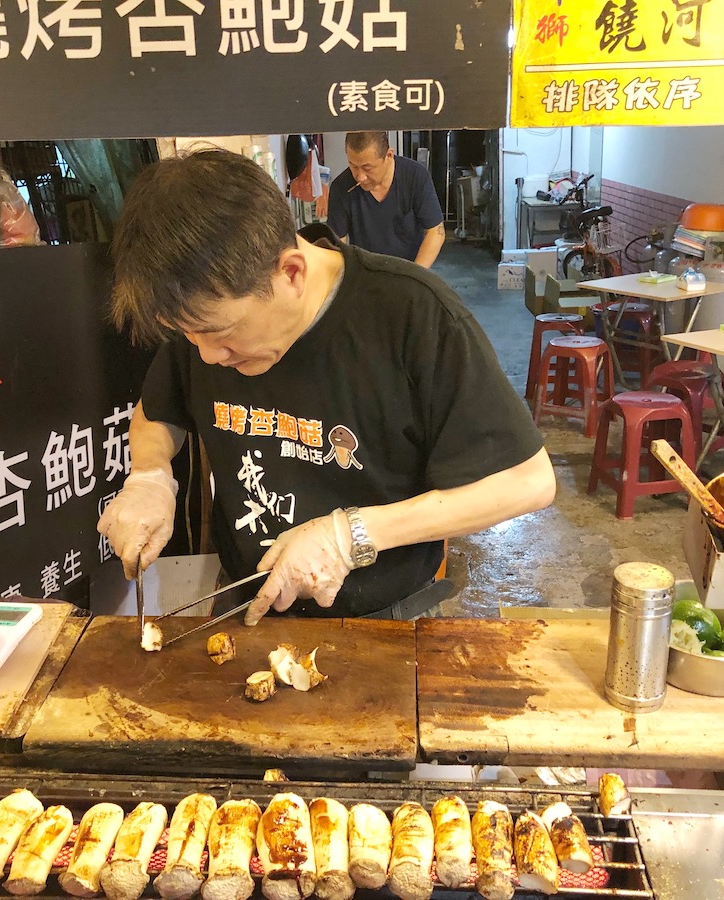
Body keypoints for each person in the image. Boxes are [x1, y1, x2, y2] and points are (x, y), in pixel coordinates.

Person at [97, 149, 555, 626]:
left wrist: (350, 535)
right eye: (189, 337)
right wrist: (150, 478)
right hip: (245, 605)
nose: (209, 357)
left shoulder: (413, 315)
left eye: (223, 337)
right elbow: (157, 412)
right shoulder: (206, 320)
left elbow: (528, 481)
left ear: (291, 272)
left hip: (382, 619)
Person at [326, 131, 446, 268]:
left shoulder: (415, 176)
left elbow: (435, 232)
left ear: (389, 155)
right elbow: (336, 244)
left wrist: (414, 276)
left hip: (411, 268)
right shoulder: (341, 188)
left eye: (367, 168)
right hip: (365, 272)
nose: (360, 177)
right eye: (353, 166)